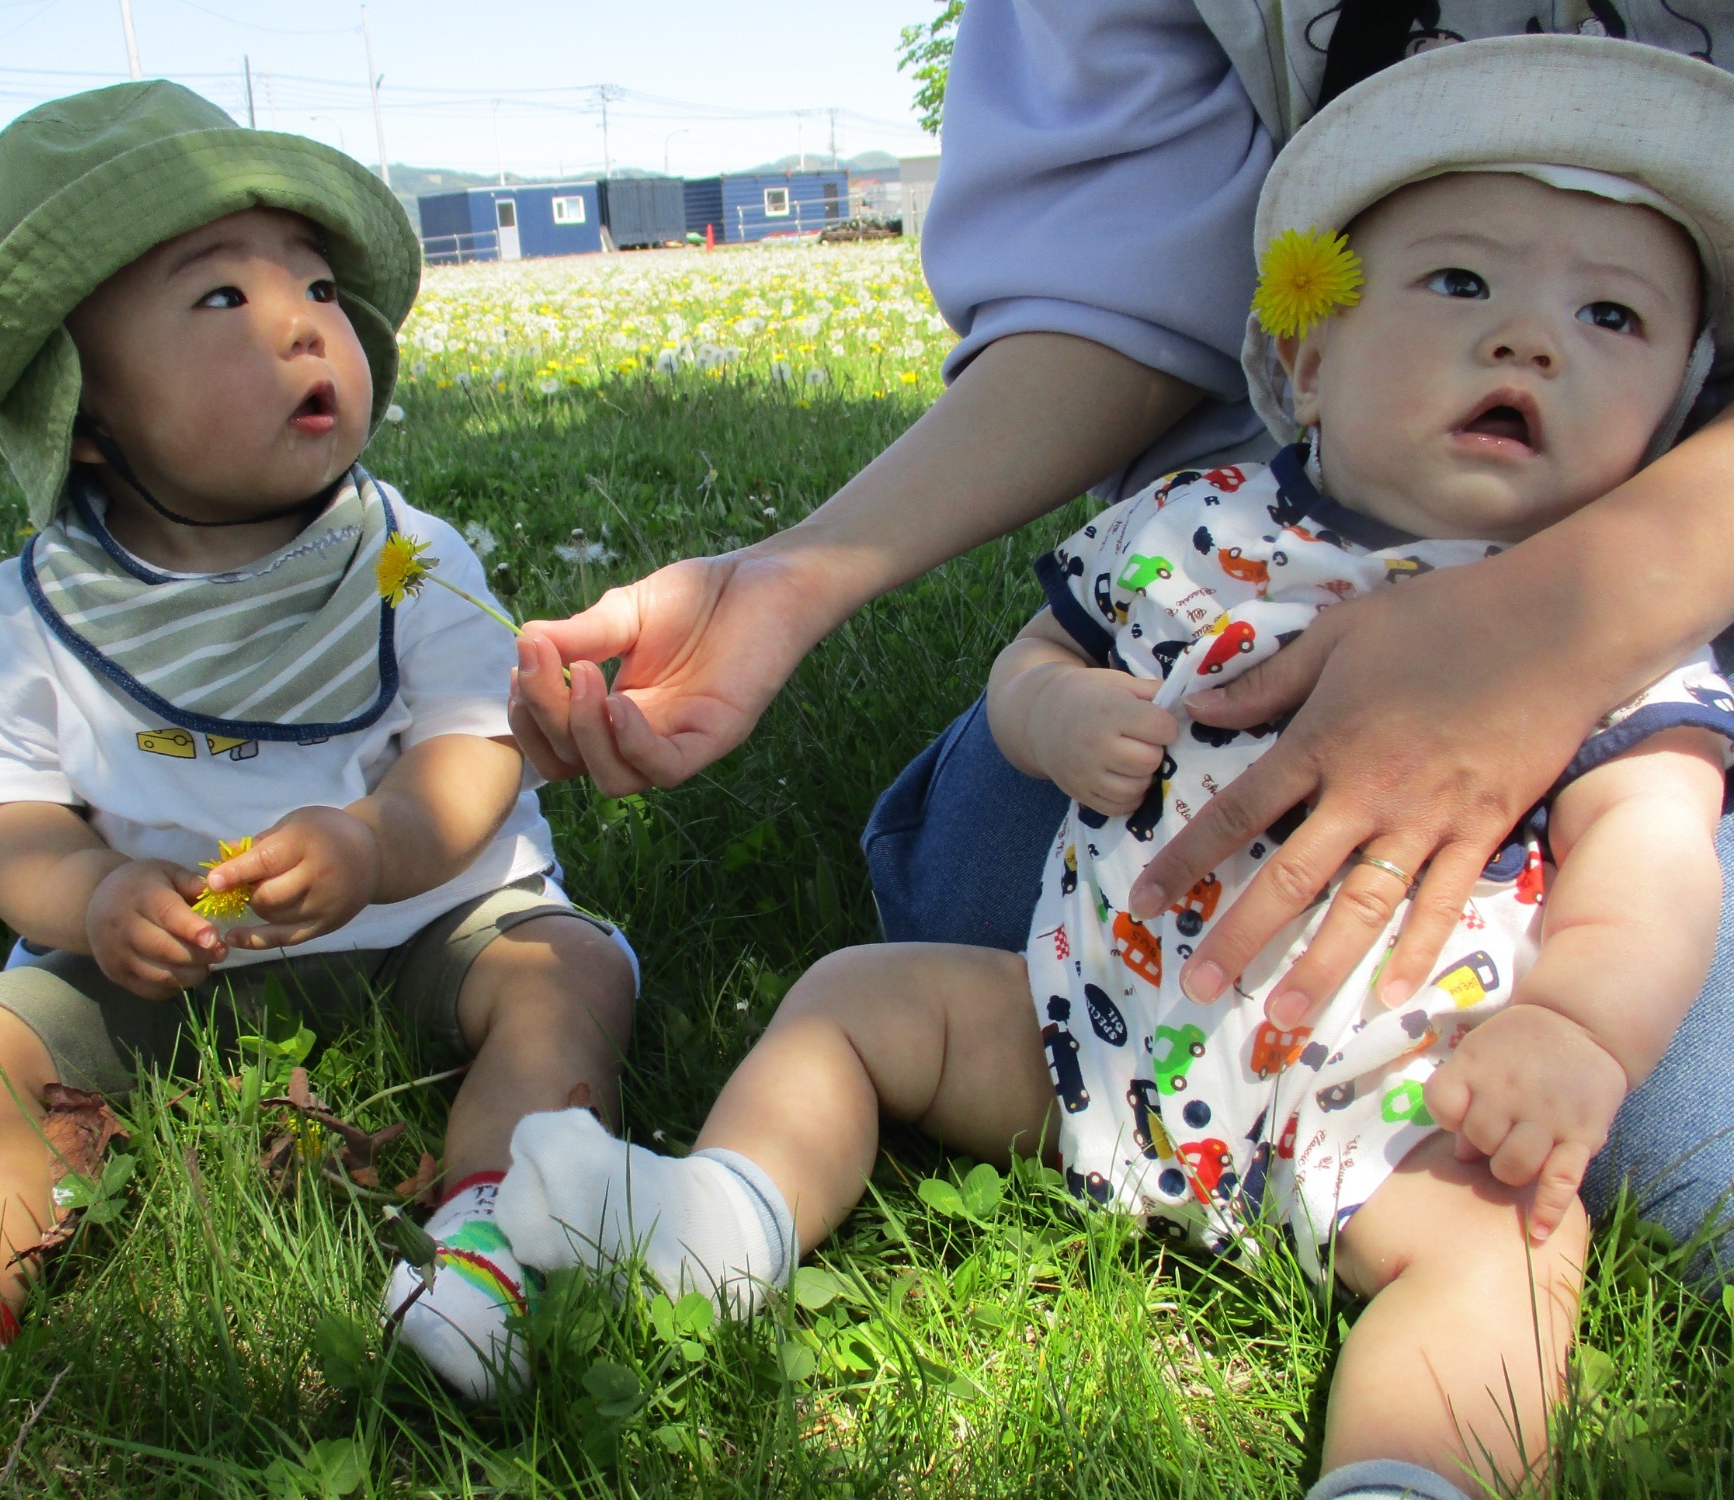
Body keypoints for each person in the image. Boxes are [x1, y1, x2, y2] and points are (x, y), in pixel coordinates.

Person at [489, 36, 1734, 1500]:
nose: (1531, 341)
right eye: (1461, 284)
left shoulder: (1634, 638)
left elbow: (1655, 851)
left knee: (1512, 1242)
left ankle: (1409, 1477)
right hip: (1101, 1029)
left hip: (1409, 1108)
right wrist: (1051, 719)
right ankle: (724, 1213)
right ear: (1306, 353)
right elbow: (1034, 657)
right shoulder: (1196, 526)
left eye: (1611, 315)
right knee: (856, 1003)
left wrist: (1580, 1033)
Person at [0, 82, 637, 1452]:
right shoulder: (34, 607)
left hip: (433, 926)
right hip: (156, 968)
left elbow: (474, 753)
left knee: (563, 976)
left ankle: (492, 1250)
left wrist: (378, 846)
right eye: (218, 298)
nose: (300, 320)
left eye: (321, 283)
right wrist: (92, 894)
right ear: (80, 407)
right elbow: (2, 812)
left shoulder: (407, 561)